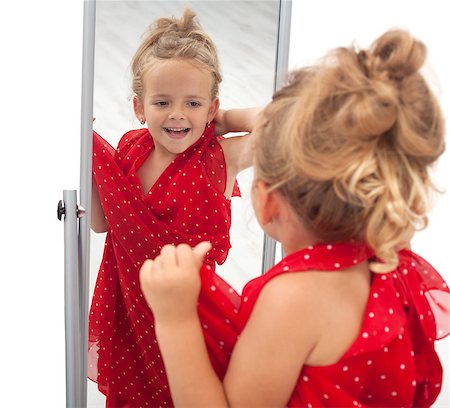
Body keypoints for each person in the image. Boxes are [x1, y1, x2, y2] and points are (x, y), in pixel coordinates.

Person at [140, 29, 450, 407]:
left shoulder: (291, 301)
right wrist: (222, 117)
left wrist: (175, 318)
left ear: (269, 202)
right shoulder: (392, 263)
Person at [89, 9, 260, 407]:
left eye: (194, 103)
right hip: (130, 308)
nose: (178, 114)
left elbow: (283, 125)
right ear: (138, 107)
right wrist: (95, 166)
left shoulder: (220, 159)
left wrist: (224, 122)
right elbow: (102, 224)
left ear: (212, 108)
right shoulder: (132, 148)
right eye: (162, 102)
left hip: (187, 314)